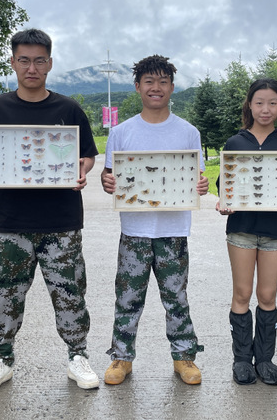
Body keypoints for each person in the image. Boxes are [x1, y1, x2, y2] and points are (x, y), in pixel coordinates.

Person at [0, 28, 100, 392]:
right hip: (10, 219)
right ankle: (1, 358)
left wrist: (82, 169)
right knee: (6, 293)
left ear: (50, 63)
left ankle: (77, 355)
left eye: (39, 60)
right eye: (24, 60)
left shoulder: (69, 109)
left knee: (70, 291)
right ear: (13, 62)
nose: (32, 68)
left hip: (61, 220)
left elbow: (87, 155)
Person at [100, 55, 209, 386]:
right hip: (134, 230)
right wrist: (108, 183)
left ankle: (184, 357)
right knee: (128, 298)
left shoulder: (188, 132)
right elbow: (109, 175)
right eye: (149, 81)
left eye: (163, 81)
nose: (156, 87)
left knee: (176, 297)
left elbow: (196, 177)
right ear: (138, 87)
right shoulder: (121, 132)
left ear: (172, 87)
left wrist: (201, 186)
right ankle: (121, 357)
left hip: (173, 231)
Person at [216, 78, 277, 386]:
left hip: (275, 230)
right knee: (242, 293)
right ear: (250, 105)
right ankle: (242, 360)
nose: (265, 109)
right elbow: (224, 185)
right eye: (259, 103)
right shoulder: (235, 143)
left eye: (272, 103)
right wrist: (224, 202)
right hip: (242, 229)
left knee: (267, 295)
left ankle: (265, 359)